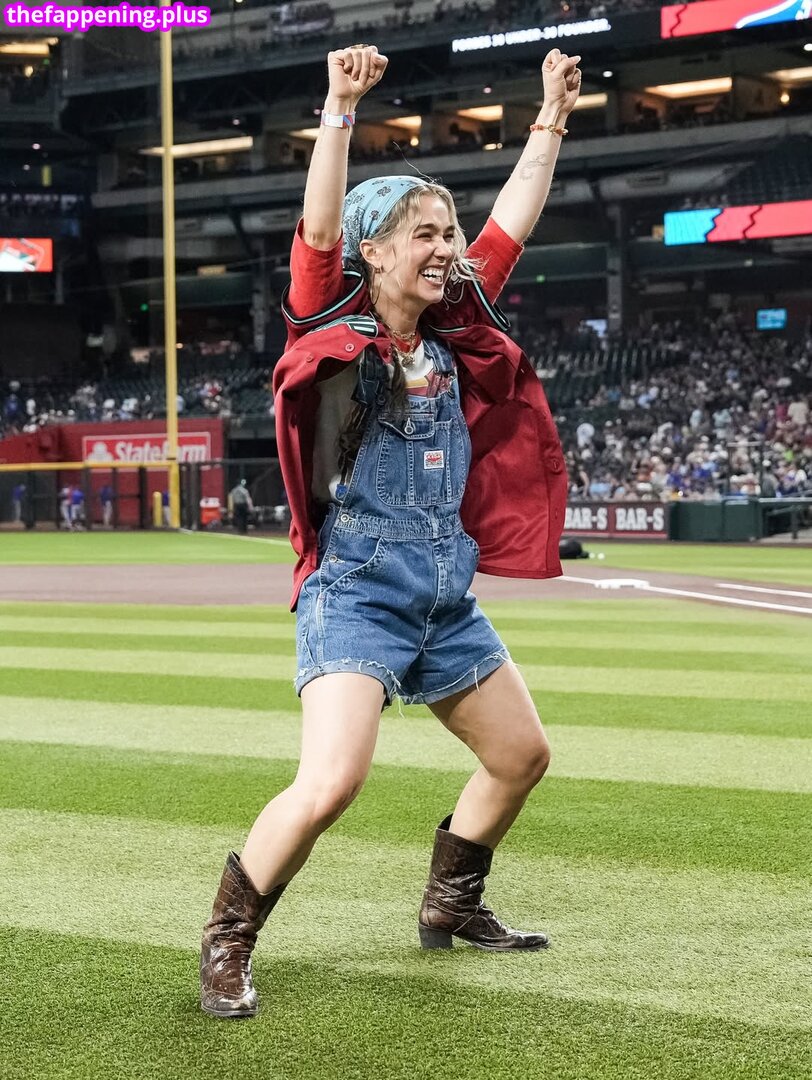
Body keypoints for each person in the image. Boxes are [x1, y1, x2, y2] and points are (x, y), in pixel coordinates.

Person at [200, 42, 581, 1019]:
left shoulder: (454, 322)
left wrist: (550, 115)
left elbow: (513, 219)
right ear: (374, 252)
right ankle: (228, 942)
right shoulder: (327, 317)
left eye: (449, 231)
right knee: (332, 781)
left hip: (443, 592)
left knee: (521, 756)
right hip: (357, 590)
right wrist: (337, 105)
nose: (448, 247)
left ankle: (452, 904)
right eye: (425, 233)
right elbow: (319, 227)